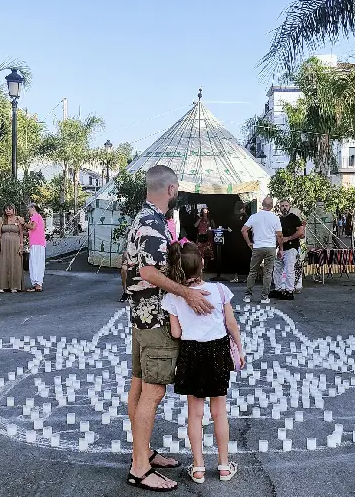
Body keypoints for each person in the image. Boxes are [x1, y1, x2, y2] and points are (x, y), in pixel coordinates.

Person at [125, 165, 214, 492]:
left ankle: (142, 452)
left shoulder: (147, 219)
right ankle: (139, 468)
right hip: (155, 320)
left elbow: (134, 269)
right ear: (171, 189)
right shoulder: (151, 223)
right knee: (154, 390)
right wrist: (186, 292)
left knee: (139, 385)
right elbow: (148, 272)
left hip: (142, 317)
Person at [161, 241, 245, 484]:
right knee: (219, 413)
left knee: (195, 415)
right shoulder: (220, 290)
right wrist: (239, 348)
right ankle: (223, 466)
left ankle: (198, 467)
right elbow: (231, 324)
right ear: (203, 264)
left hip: (191, 353)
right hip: (218, 352)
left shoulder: (174, 297)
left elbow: (176, 333)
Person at [242, 196, 283, 304]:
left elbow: (244, 230)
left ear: (262, 205)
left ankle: (248, 295)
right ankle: (264, 297)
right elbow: (279, 235)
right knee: (268, 273)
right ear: (272, 206)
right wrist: (281, 249)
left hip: (257, 247)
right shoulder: (275, 217)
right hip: (270, 247)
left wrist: (249, 242)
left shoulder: (254, 216)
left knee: (252, 272)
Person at [270, 200, 305, 300]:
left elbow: (301, 232)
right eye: (282, 206)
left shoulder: (294, 218)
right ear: (279, 207)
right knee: (277, 269)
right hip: (281, 248)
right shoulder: (278, 219)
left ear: (289, 206)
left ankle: (289, 291)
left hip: (291, 248)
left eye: (286, 205)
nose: (284, 207)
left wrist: (288, 238)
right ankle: (278, 289)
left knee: (289, 270)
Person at [0, 204, 24, 293]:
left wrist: (21, 246)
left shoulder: (18, 219)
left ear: (13, 210)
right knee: (3, 263)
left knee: (15, 263)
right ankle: (1, 285)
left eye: (10, 209)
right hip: (4, 243)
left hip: (15, 243)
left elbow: (21, 233)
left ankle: (14, 286)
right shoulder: (2, 219)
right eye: (6, 209)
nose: (8, 211)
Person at [23, 203, 46, 292]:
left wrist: (23, 223)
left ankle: (37, 284)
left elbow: (32, 227)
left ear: (33, 208)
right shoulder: (38, 217)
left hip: (36, 243)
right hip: (38, 243)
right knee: (38, 263)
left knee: (34, 263)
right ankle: (38, 284)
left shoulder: (35, 216)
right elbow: (30, 232)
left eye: (29, 209)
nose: (28, 211)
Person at [229, 201, 251, 284]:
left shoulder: (233, 217)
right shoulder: (246, 217)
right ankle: (245, 276)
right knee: (244, 258)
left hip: (236, 240)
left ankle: (237, 276)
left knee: (236, 258)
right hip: (244, 239)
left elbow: (230, 229)